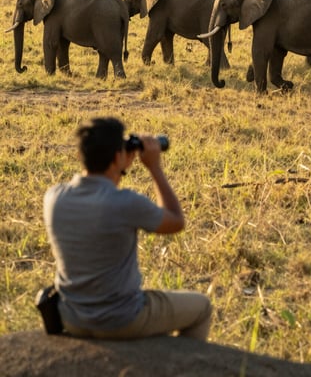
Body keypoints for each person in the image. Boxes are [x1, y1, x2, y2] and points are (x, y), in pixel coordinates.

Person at [43, 117, 212, 340]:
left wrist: (118, 167)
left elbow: (101, 196)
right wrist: (154, 168)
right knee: (202, 307)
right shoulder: (126, 202)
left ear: (80, 156)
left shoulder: (54, 197)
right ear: (116, 157)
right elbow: (176, 221)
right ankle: (182, 372)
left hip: (71, 318)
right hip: (122, 318)